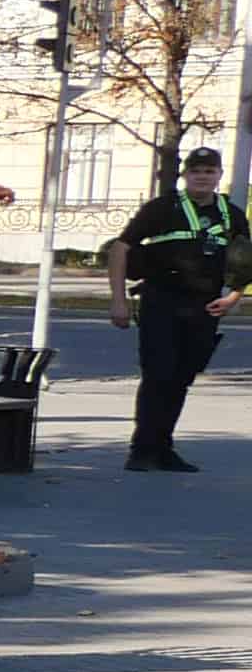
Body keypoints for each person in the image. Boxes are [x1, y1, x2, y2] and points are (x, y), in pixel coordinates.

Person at [107, 148, 239, 472]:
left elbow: (243, 259)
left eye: (209, 171)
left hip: (205, 306)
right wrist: (118, 300)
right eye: (196, 171)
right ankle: (141, 449)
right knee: (158, 375)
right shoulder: (162, 208)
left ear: (219, 175)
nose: (202, 177)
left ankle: (163, 447)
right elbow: (120, 248)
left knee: (181, 379)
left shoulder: (231, 213)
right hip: (161, 301)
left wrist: (235, 296)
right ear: (185, 175)